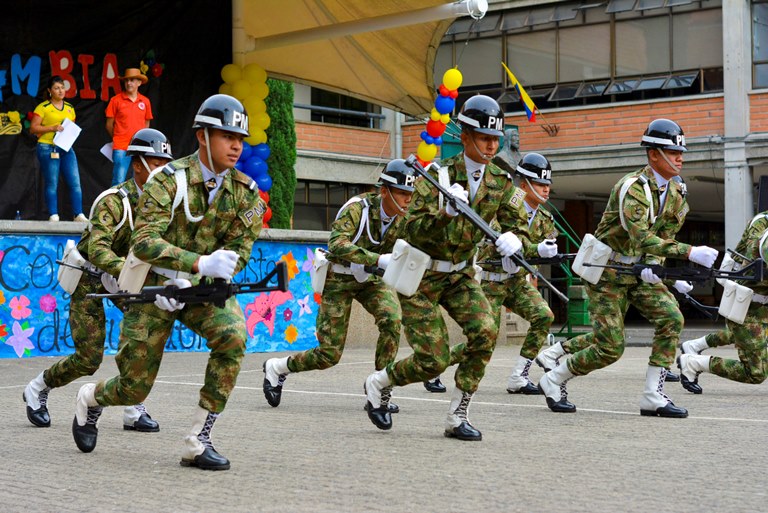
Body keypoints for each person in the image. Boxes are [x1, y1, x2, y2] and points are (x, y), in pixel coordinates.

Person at [72, 94, 266, 472]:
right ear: (202, 136)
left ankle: (199, 439)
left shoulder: (246, 192)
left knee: (233, 337)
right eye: (226, 135)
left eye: (239, 136)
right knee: (134, 388)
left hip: (201, 288)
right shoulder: (167, 180)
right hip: (151, 289)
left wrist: (214, 271)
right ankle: (90, 399)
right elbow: (144, 241)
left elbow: (239, 249)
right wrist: (191, 265)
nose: (237, 144)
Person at [363, 95, 533, 441]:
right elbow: (409, 228)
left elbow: (520, 223)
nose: (491, 144)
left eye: (495, 138)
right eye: (484, 137)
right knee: (434, 359)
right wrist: (445, 214)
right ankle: (380, 381)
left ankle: (458, 413)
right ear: (466, 136)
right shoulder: (435, 176)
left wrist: (516, 239)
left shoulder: (501, 181)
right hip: (422, 276)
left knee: (486, 331)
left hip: (460, 274)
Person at [537, 118, 719, 418]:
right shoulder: (633, 188)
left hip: (638, 273)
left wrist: (653, 265)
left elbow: (663, 237)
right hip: (608, 272)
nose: (680, 157)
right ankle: (554, 378)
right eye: (672, 152)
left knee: (672, 318)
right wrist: (690, 253)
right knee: (611, 347)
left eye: (680, 151)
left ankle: (653, 395)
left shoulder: (676, 193)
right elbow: (641, 236)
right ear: (653, 155)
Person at [23, 128, 173, 431]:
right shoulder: (114, 201)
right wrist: (125, 271)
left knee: (142, 334)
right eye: (155, 163)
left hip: (124, 281)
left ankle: (133, 407)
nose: (162, 171)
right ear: (137, 164)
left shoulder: (163, 205)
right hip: (89, 280)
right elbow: (97, 248)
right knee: (88, 358)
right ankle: (37, 388)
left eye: (164, 164)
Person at [262, 159, 415, 412]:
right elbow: (337, 243)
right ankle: (277, 368)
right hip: (339, 277)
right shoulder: (358, 208)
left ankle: (380, 387)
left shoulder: (404, 218)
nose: (408, 199)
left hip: (372, 279)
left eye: (410, 193)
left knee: (392, 320)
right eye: (402, 193)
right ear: (385, 191)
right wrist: (376, 258)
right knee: (328, 355)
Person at [425, 153, 559, 395]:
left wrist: (542, 254)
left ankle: (519, 376)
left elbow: (532, 255)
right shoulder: (501, 206)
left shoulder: (545, 219)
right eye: (541, 184)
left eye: (548, 185)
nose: (546, 190)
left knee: (544, 316)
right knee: (484, 337)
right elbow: (488, 242)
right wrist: (530, 249)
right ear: (524, 184)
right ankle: (437, 367)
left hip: (516, 281)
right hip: (491, 281)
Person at [677, 212, 768, 393]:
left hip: (759, 305)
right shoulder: (762, 226)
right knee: (756, 372)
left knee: (744, 335)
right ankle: (693, 363)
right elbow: (753, 255)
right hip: (749, 305)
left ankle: (695, 345)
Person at [29, 75, 87, 222]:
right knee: (52, 182)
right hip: (48, 147)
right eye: (56, 88)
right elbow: (33, 129)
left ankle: (78, 214)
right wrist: (52, 128)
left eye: (62, 87)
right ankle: (53, 215)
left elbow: (71, 127)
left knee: (75, 182)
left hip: (66, 147)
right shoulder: (43, 108)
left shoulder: (69, 108)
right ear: (50, 91)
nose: (60, 91)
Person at [105, 68, 153, 186]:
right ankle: (114, 204)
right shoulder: (115, 100)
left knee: (139, 180)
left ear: (139, 83)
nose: (129, 83)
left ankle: (135, 205)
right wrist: (117, 137)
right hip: (121, 146)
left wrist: (142, 140)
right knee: (118, 180)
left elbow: (146, 124)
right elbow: (109, 125)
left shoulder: (145, 101)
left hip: (138, 147)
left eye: (132, 80)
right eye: (126, 81)